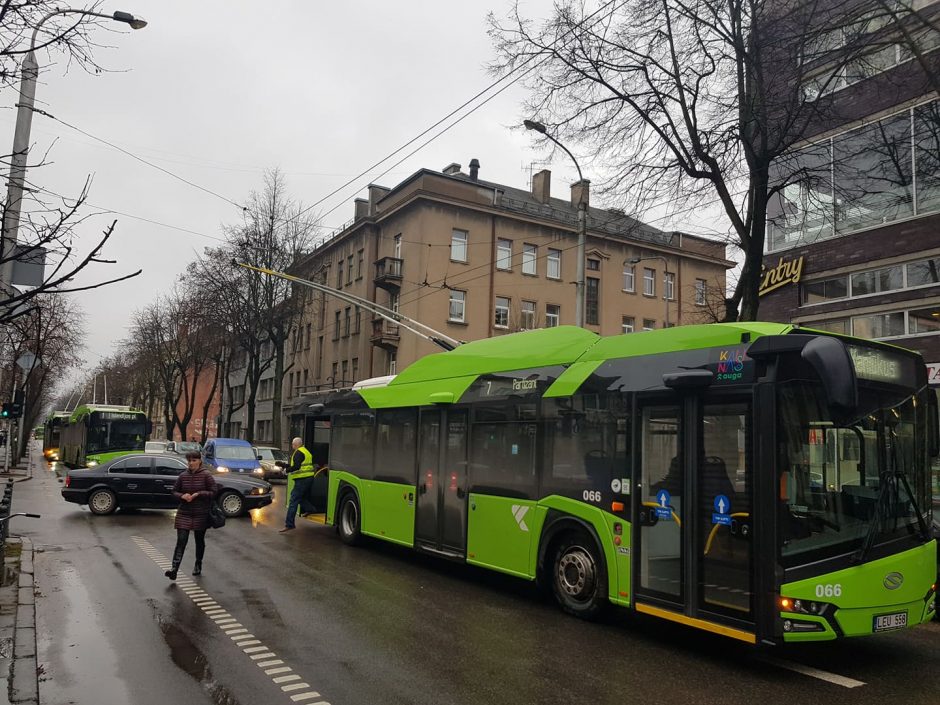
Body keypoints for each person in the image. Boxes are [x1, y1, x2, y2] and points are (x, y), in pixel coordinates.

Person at [166, 451, 217, 580]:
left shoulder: (206, 475)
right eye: (189, 461)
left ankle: (198, 563)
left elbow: (213, 492)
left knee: (199, 541)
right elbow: (173, 491)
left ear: (199, 461)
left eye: (194, 460)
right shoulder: (183, 476)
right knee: (181, 541)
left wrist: (199, 494)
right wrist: (182, 495)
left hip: (201, 513)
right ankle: (174, 569)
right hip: (184, 512)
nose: (191, 463)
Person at [279, 436, 316, 533]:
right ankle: (311, 509)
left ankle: (289, 524)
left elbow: (296, 467)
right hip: (309, 478)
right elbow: (299, 465)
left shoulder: (298, 453)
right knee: (300, 497)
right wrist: (284, 466)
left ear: (296, 444)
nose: (292, 446)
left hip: (302, 479)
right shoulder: (305, 451)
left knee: (293, 500)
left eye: (292, 444)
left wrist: (286, 470)